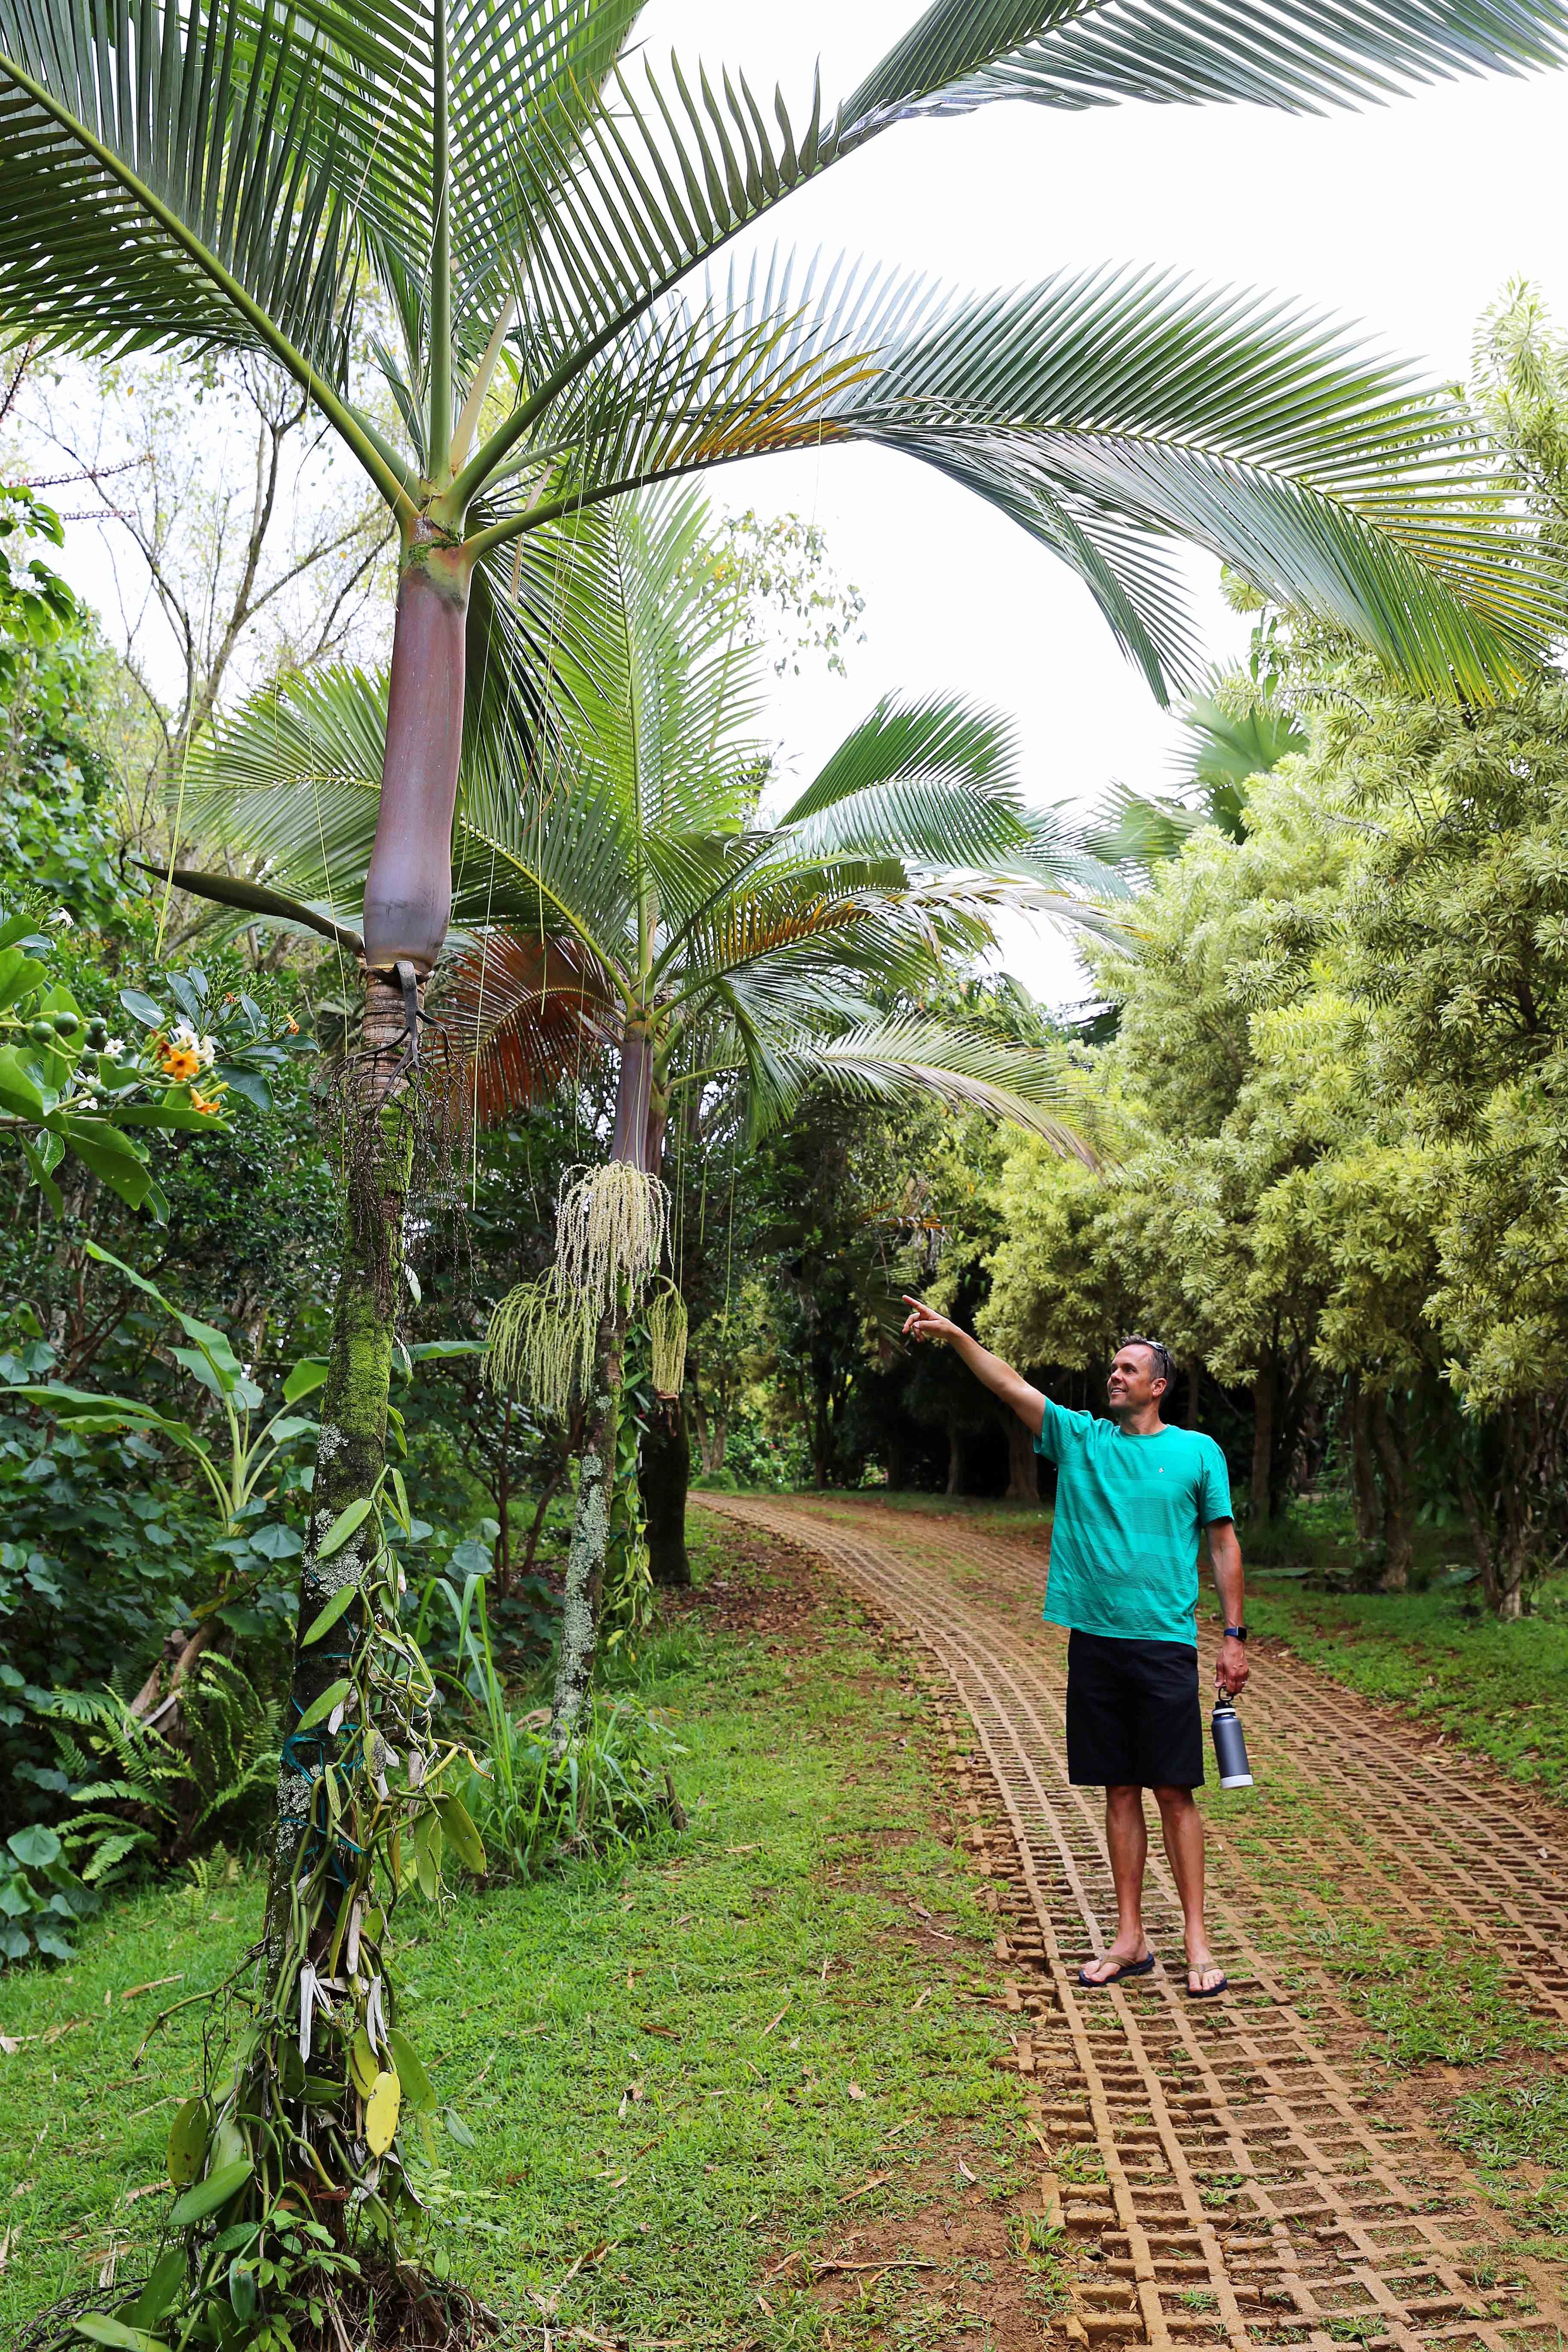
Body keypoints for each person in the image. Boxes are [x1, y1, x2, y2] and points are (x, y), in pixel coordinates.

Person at [900, 1300, 1247, 1999]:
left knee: (1174, 1791)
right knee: (1119, 1787)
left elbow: (1223, 1544)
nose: (1113, 1377)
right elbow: (1010, 1386)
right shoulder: (1082, 1439)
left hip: (1167, 1644)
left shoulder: (1197, 1452)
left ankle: (1197, 1938)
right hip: (1096, 1643)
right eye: (1113, 1367)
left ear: (1158, 1387)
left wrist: (1233, 1637)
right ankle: (1130, 1937)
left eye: (1129, 1369)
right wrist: (959, 1337)